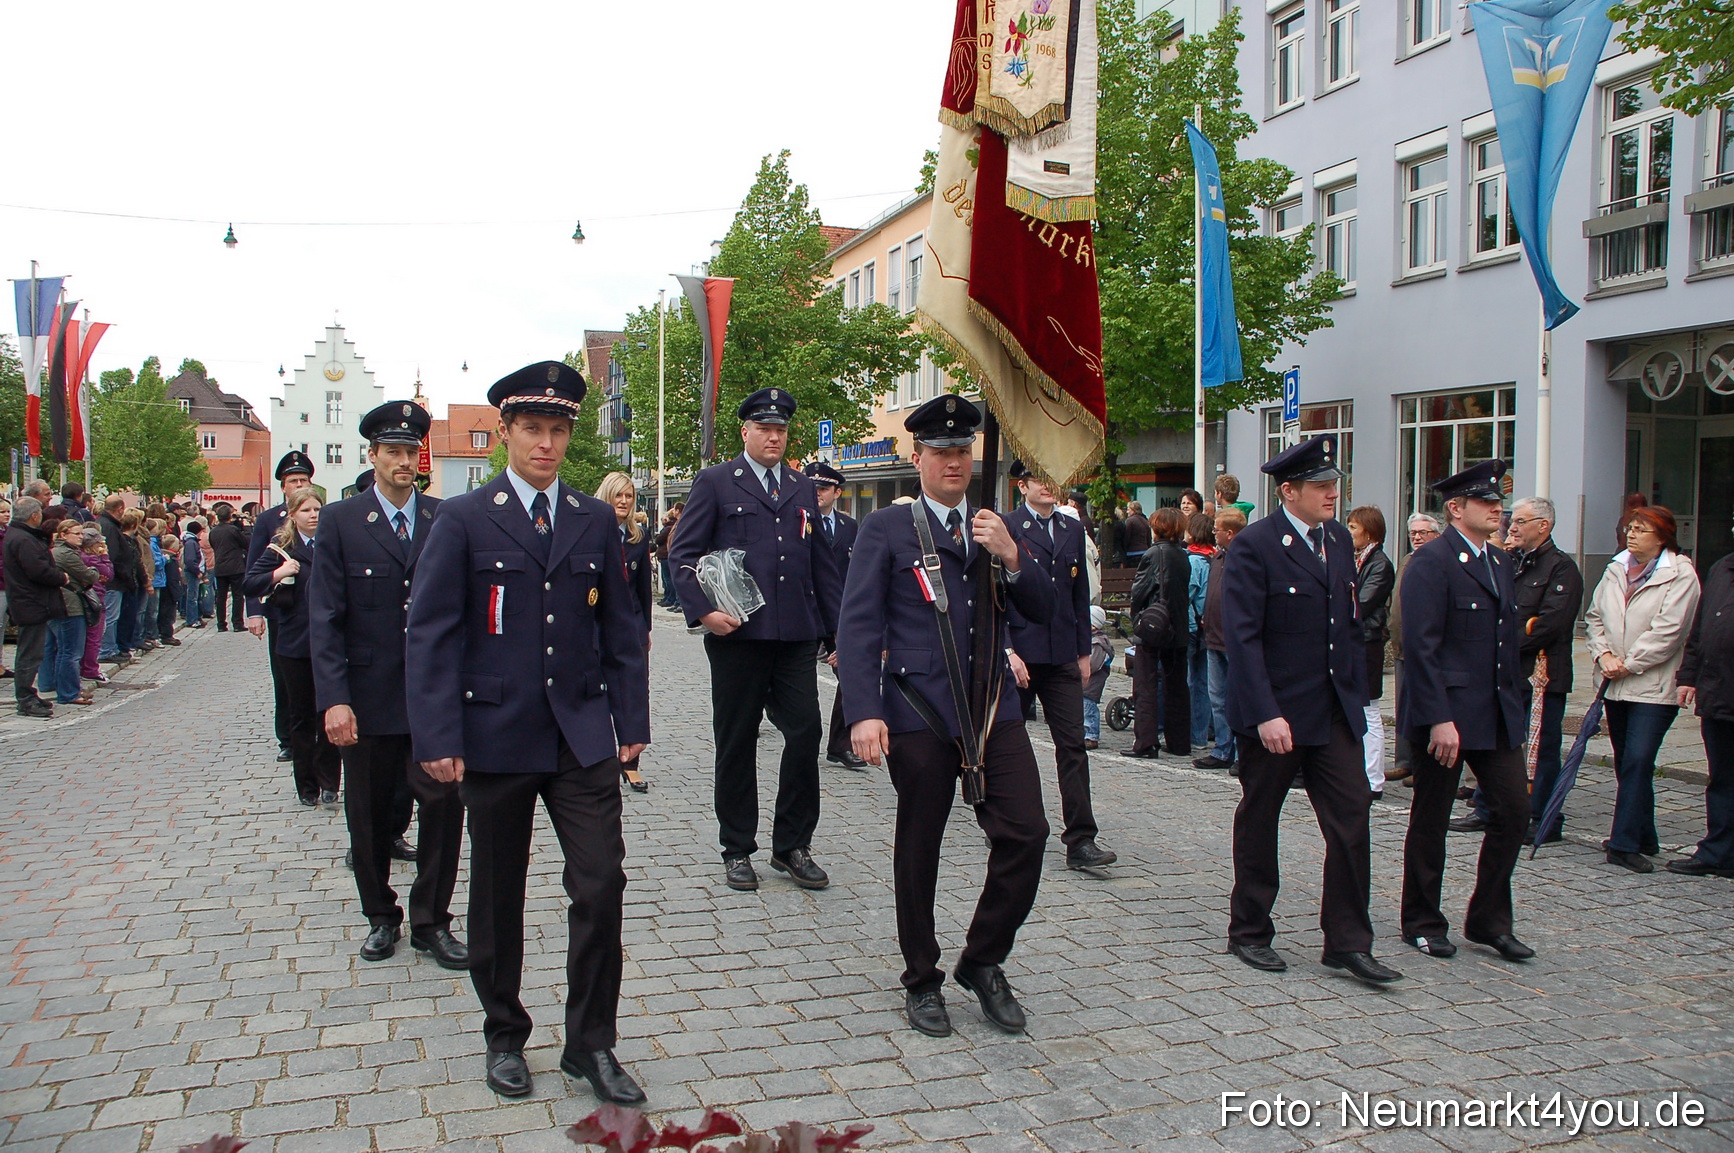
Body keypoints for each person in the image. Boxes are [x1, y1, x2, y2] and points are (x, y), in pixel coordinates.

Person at [405, 362, 649, 1104]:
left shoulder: (592, 517)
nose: (546, 443)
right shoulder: (464, 518)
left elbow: (621, 628)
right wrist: (438, 735)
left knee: (601, 882)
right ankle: (504, 1033)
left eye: (558, 430)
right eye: (533, 429)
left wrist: (631, 721)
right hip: (496, 732)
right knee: (497, 894)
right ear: (506, 432)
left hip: (580, 733)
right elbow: (431, 633)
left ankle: (591, 1043)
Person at [836, 393, 1055, 1038]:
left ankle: (982, 960)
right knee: (920, 844)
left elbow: (1045, 611)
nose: (954, 461)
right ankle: (921, 975)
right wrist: (863, 711)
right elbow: (858, 625)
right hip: (919, 708)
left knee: (1026, 832)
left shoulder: (996, 526)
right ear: (918, 457)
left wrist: (1013, 556)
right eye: (941, 451)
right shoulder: (887, 529)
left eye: (963, 450)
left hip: (990, 708)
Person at [1222, 435, 1397, 985]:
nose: (1332, 494)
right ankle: (1250, 929)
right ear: (1288, 491)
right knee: (1260, 818)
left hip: (1333, 711)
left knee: (1352, 817)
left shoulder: (1338, 539)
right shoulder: (1255, 545)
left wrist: (1356, 696)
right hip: (1277, 713)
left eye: (1333, 484)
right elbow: (1242, 637)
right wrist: (1265, 712)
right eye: (1320, 486)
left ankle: (1348, 941)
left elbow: (1346, 624)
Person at [310, 401, 466, 969]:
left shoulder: (444, 517)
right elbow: (325, 616)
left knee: (443, 809)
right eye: (393, 451)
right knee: (369, 815)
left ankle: (431, 921)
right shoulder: (341, 520)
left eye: (411, 452)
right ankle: (380, 915)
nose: (404, 461)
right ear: (372, 455)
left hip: (433, 700)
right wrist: (334, 699)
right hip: (369, 698)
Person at [668, 387, 843, 893]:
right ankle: (737, 848)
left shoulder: (802, 486)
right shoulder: (717, 482)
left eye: (780, 430)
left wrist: (838, 633)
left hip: (793, 636)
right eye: (764, 429)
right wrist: (704, 612)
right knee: (737, 740)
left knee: (805, 733)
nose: (773, 437)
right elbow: (683, 555)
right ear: (745, 432)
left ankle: (792, 845)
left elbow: (820, 564)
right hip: (739, 636)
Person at [1398, 460, 1534, 962]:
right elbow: (1422, 646)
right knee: (1432, 818)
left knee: (1514, 811)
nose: (1498, 509)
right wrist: (1439, 717)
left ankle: (1489, 919)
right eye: (1486, 501)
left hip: (1494, 710)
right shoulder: (1431, 561)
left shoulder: (1498, 561)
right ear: (1456, 508)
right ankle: (1422, 920)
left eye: (1499, 502)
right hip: (1448, 712)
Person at [1005, 460, 1114, 870]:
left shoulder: (1071, 527)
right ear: (1022, 486)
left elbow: (1078, 592)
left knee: (1073, 746)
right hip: (1022, 651)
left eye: (1052, 478)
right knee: (1007, 744)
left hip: (1062, 652)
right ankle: (1008, 820)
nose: (1048, 486)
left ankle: (1081, 839)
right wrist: (1007, 650)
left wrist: (1084, 651)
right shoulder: (1008, 526)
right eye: (1039, 479)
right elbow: (996, 595)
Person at [1454, 497, 1583, 838]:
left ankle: (1541, 817)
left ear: (1543, 525)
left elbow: (1550, 623)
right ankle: (1487, 808)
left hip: (1541, 672)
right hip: (1503, 671)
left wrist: (1503, 642)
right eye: (1512, 520)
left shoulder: (1561, 568)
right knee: (1493, 739)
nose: (1512, 527)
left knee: (1541, 746)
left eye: (1521, 521)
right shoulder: (1507, 561)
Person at [1584, 504, 1700, 874]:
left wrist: (1629, 664)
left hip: (1654, 685)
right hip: (1614, 682)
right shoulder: (1615, 568)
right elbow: (1594, 617)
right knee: (1627, 761)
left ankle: (1623, 844)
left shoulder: (1680, 574)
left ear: (1662, 537)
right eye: (1629, 528)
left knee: (1638, 758)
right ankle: (1644, 834)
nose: (1631, 535)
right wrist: (1603, 655)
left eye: (1640, 529)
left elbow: (1670, 631)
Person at [244, 489, 342, 808]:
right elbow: (250, 582)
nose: (313, 515)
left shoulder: (333, 543)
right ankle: (306, 785)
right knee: (301, 716)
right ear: (293, 515)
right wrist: (279, 573)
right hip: (295, 642)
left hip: (330, 642)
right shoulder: (281, 548)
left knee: (330, 712)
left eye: (317, 509)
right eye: (306, 510)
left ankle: (330, 782)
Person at [247, 451, 319, 763]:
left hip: (315, 615)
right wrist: (254, 611)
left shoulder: (322, 517)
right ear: (283, 486)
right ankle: (288, 738)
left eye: (304, 480)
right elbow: (254, 568)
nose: (299, 485)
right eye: (293, 481)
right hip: (282, 610)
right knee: (285, 679)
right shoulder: (268, 520)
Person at [1671, 524, 1734, 878]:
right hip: (1719, 693)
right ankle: (1718, 851)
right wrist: (1688, 676)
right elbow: (1701, 629)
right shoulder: (1723, 567)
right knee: (1722, 778)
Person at [803, 461, 865, 771]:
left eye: (824, 488)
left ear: (837, 493)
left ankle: (840, 745)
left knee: (851, 674)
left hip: (838, 613)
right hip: (804, 611)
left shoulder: (850, 527)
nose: (817, 493)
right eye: (812, 488)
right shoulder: (796, 521)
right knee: (791, 677)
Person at [597, 471, 653, 792]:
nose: (624, 501)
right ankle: (600, 759)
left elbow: (643, 587)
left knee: (635, 692)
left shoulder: (638, 537)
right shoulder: (589, 532)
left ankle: (631, 764)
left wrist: (646, 629)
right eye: (618, 495)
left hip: (631, 625)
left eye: (629, 496)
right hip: (596, 625)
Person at [1128, 508, 1191, 759]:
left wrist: (1137, 619)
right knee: (1177, 687)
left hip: (1155, 625)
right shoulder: (1182, 554)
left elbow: (1139, 591)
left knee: (1145, 685)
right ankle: (1179, 741)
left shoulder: (1154, 554)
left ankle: (1145, 742)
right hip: (1178, 626)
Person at [1387, 512, 1442, 782]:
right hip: (1401, 646)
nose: (1417, 537)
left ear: (1436, 535)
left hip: (1424, 648)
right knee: (1403, 708)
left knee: (1424, 707)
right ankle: (1404, 761)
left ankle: (1422, 766)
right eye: (1413, 533)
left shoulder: (1439, 562)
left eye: (1423, 533)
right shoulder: (1407, 560)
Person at [3, 497, 68, 717]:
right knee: (29, 653)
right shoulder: (23, 539)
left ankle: (29, 693)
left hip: (31, 600)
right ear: (34, 515)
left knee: (33, 651)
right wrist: (61, 577)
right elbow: (37, 570)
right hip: (30, 600)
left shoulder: (21, 535)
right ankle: (25, 698)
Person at [1348, 507, 1394, 794]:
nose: (1349, 532)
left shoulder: (1380, 564)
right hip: (1355, 640)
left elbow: (1362, 603)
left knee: (1369, 710)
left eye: (1353, 527)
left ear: (1368, 531)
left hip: (1368, 642)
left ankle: (1373, 778)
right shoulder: (1358, 560)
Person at [1195, 506, 1245, 772]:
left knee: (1237, 698)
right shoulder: (1218, 557)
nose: (1213, 533)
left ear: (1230, 532)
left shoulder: (1245, 558)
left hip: (1234, 639)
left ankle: (1240, 753)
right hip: (1213, 635)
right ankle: (1223, 748)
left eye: (1217, 530)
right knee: (1217, 697)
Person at [42, 518, 97, 707]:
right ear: (63, 535)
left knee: (57, 649)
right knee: (70, 652)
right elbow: (89, 576)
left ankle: (56, 686)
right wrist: (93, 570)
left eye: (82, 533)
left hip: (59, 604)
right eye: (77, 533)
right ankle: (68, 692)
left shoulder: (58, 552)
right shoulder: (65, 554)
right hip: (69, 606)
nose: (81, 537)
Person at [97, 495, 142, 663]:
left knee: (113, 616)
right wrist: (126, 576)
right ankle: (107, 650)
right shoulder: (109, 527)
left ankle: (112, 648)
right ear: (120, 509)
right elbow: (114, 556)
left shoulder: (107, 524)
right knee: (111, 617)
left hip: (116, 580)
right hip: (114, 581)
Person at [1184, 513, 1214, 753]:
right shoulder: (1214, 557)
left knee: (1190, 680)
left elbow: (1189, 595)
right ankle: (1201, 735)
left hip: (1192, 626)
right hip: (1208, 628)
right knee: (1203, 682)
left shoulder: (1194, 561)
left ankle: (1192, 732)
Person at [79, 527, 114, 686]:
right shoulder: (92, 559)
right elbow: (108, 573)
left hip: (90, 597)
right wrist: (105, 556)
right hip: (94, 598)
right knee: (94, 635)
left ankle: (85, 667)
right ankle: (90, 669)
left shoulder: (80, 556)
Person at [209, 504, 250, 632]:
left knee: (221, 597)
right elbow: (246, 543)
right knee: (238, 596)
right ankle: (237, 623)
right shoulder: (233, 530)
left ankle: (221, 624)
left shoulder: (213, 531)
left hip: (220, 566)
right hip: (235, 566)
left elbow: (213, 545)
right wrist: (245, 527)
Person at [1083, 605, 1112, 749]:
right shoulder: (1090, 639)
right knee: (1082, 705)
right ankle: (1083, 732)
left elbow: (1093, 664)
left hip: (1093, 680)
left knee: (1088, 706)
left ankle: (1091, 734)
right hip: (1086, 680)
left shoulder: (1097, 643)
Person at [654, 503, 683, 610]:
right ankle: (674, 601)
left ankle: (675, 601)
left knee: (671, 579)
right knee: (669, 579)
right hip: (670, 554)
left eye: (675, 510)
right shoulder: (675, 525)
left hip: (674, 555)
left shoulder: (678, 524)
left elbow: (660, 539)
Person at [0, 497, 13, 680]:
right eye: (2, 512)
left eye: (8, 511)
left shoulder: (9, 533)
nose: (7, 515)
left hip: (9, 585)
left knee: (3, 625)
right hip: (2, 584)